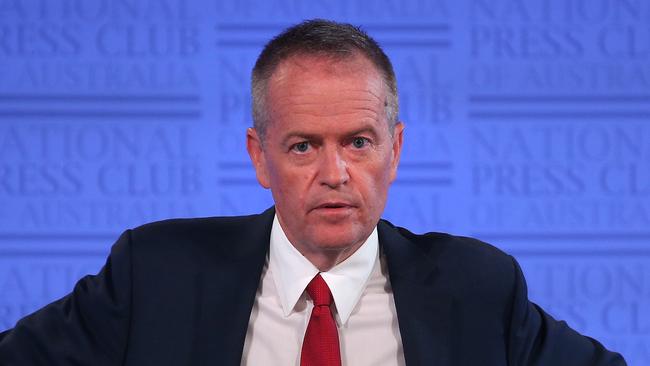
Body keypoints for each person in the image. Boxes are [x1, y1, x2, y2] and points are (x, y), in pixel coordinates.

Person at [0, 19, 626, 366]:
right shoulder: (153, 274)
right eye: (303, 146)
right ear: (260, 158)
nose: (336, 172)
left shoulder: (479, 286)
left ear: (395, 150)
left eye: (358, 141)